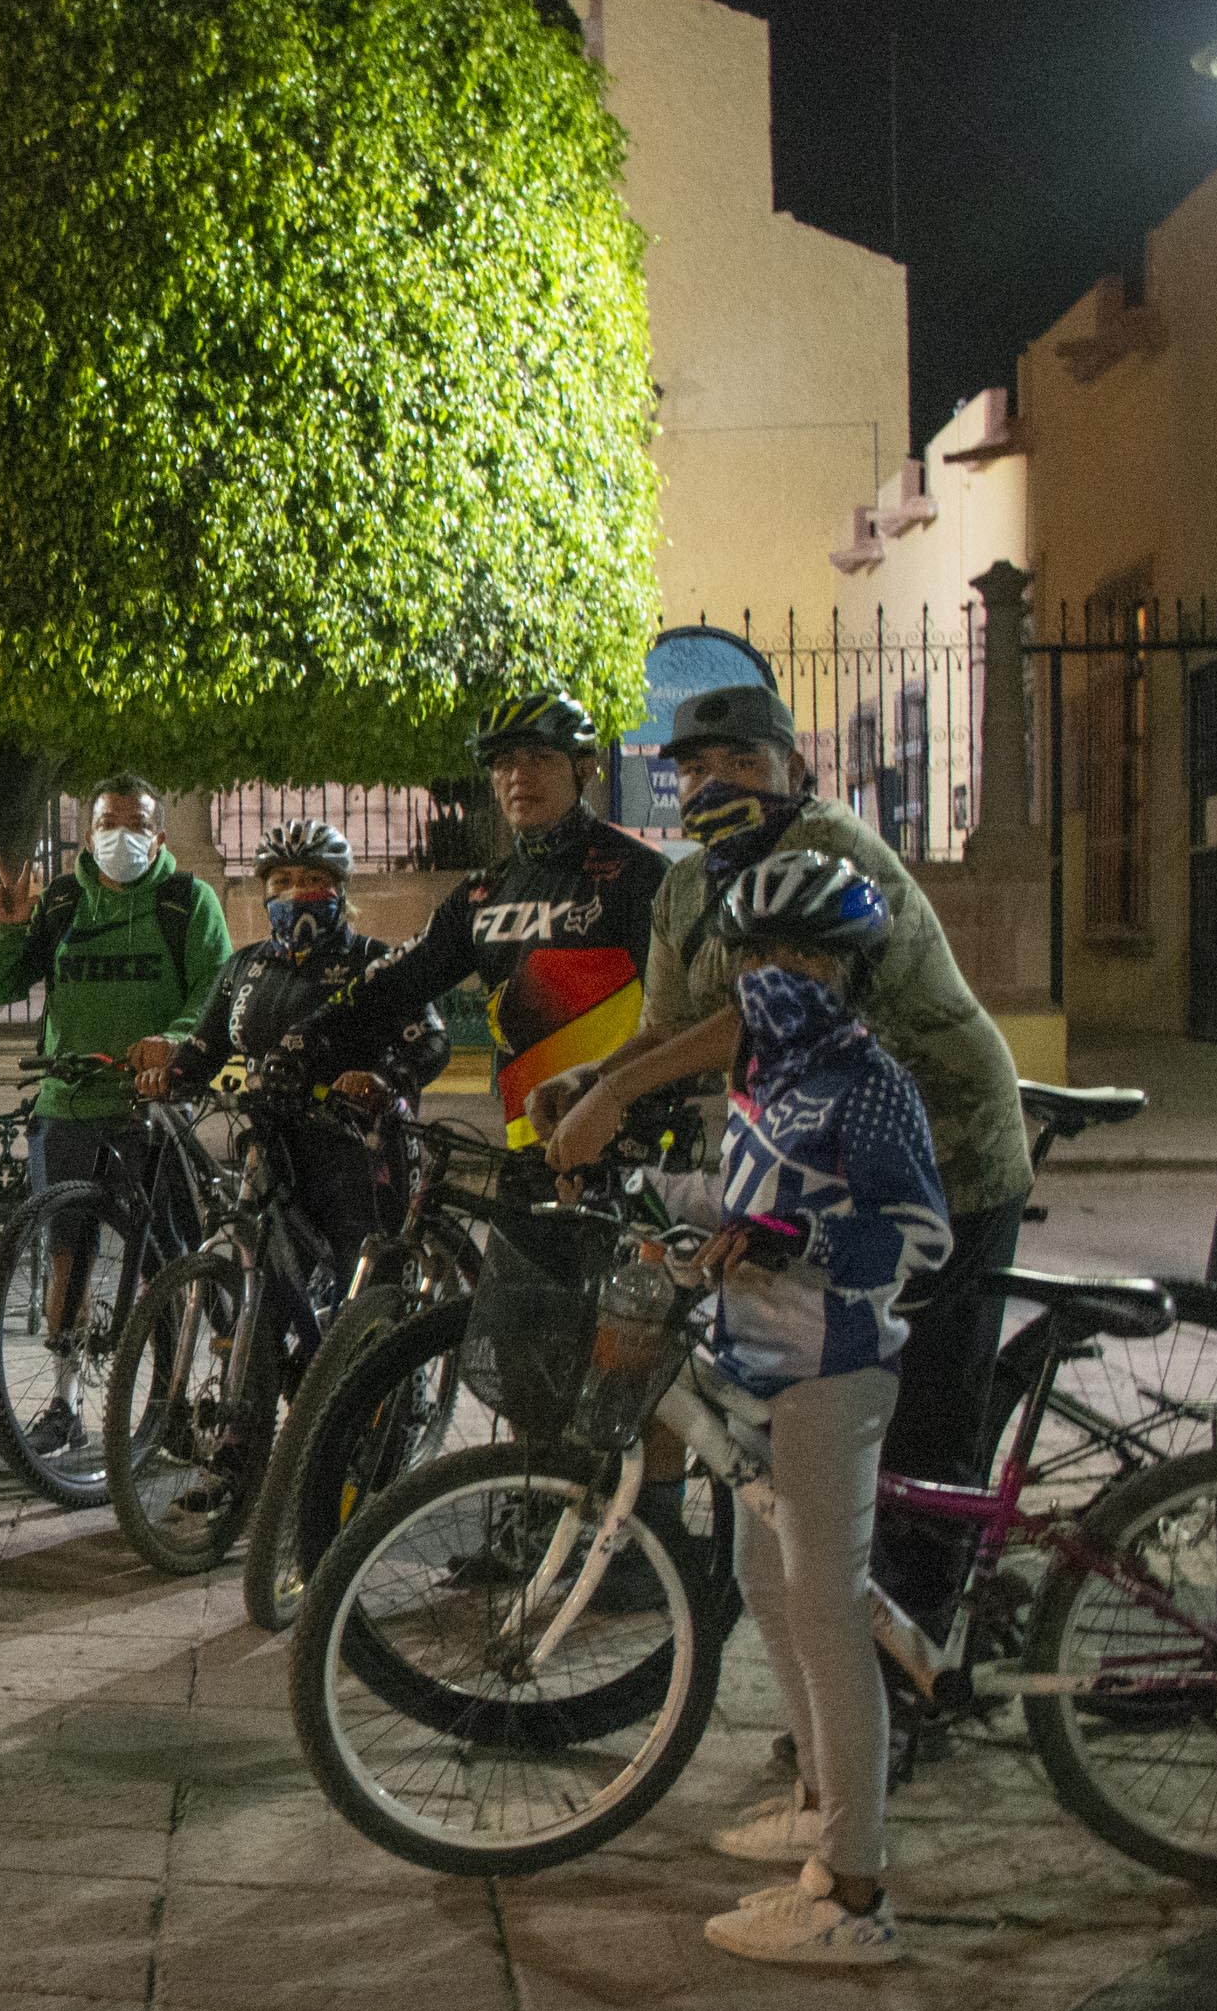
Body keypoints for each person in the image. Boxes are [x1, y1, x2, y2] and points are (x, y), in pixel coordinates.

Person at [536, 684, 1032, 1632]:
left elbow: (768, 1010)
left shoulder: (835, 856)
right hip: (809, 1170)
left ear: (795, 772)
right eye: (693, 767)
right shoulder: (689, 887)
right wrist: (596, 1075)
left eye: (742, 764)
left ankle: (917, 1666)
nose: (714, 784)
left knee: (922, 1424)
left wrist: (616, 1095)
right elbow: (672, 1026)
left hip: (941, 1153)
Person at [675, 849, 951, 1966]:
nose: (774, 973)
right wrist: (658, 1199)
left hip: (831, 1369)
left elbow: (917, 1234)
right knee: (759, 1576)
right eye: (756, 952)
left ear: (846, 969)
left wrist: (801, 1241)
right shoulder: (763, 1076)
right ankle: (814, 1791)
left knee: (827, 1608)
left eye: (802, 955)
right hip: (751, 1365)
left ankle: (852, 1887)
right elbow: (736, 1193)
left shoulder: (868, 1081)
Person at [0, 771, 233, 1456]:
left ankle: (172, 1401)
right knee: (70, 1253)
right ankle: (63, 1400)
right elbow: (4, 985)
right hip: (70, 1102)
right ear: (86, 831)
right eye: (107, 821)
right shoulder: (64, 899)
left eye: (138, 822)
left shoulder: (187, 902)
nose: (122, 834)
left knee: (167, 1260)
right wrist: (8, 929)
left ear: (158, 833)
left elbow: (217, 991)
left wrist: (174, 1040)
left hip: (155, 1106)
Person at [322, 691, 669, 1150]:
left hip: (628, 1146)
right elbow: (398, 980)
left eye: (541, 758)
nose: (519, 777)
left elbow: (674, 1021)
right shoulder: (483, 892)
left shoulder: (639, 873)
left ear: (583, 767)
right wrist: (308, 1035)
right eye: (503, 764)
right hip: (527, 1149)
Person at [131, 817, 450, 1299]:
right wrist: (167, 1077)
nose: (296, 892)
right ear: (264, 891)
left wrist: (385, 1080)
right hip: (274, 1154)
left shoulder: (374, 962)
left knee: (369, 1306)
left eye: (313, 880)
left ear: (340, 889)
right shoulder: (244, 966)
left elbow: (432, 1039)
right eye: (282, 881)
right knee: (266, 1304)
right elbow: (203, 1048)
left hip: (362, 1156)